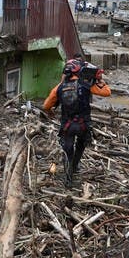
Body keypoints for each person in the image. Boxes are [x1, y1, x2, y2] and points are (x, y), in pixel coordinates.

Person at [44, 59, 111, 187]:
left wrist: (50, 112)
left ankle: (68, 179)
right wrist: (100, 80)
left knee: (68, 150)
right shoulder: (86, 84)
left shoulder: (59, 87)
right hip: (83, 125)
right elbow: (107, 92)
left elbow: (46, 105)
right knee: (80, 145)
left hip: (67, 126)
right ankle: (75, 167)